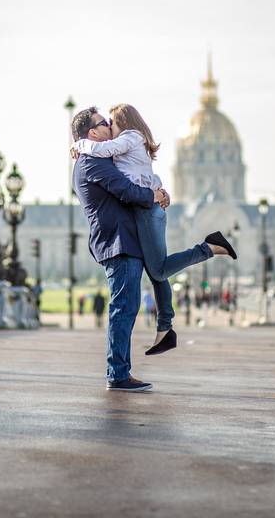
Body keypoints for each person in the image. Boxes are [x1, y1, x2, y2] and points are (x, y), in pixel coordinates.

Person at [74, 103, 236, 356]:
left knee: (158, 269)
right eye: (103, 123)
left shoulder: (127, 138)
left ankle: (210, 247)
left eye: (110, 121)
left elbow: (126, 185)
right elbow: (139, 175)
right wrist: (157, 191)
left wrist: (78, 145)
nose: (108, 125)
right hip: (146, 211)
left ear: (123, 123)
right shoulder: (120, 149)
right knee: (156, 269)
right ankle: (165, 330)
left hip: (148, 211)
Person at [71, 106, 172, 392]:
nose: (110, 126)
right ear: (92, 133)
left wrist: (157, 190)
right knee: (123, 307)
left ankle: (121, 370)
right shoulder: (92, 161)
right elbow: (125, 189)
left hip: (122, 240)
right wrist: (152, 195)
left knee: (127, 306)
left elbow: (132, 175)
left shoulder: (94, 158)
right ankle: (118, 374)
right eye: (104, 123)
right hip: (119, 241)